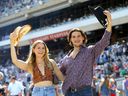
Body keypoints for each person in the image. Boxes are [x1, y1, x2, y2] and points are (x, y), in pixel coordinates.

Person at [59, 10, 112, 96]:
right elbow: (58, 75)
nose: (76, 38)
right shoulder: (65, 59)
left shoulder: (90, 51)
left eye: (79, 36)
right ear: (70, 40)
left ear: (83, 38)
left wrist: (109, 22)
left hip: (85, 91)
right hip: (68, 92)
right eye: (74, 37)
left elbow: (104, 41)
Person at [10, 29, 64, 96]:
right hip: (37, 92)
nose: (41, 50)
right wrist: (12, 43)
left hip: (50, 91)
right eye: (38, 48)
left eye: (43, 48)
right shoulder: (30, 65)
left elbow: (61, 77)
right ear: (33, 50)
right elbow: (15, 61)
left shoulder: (51, 62)